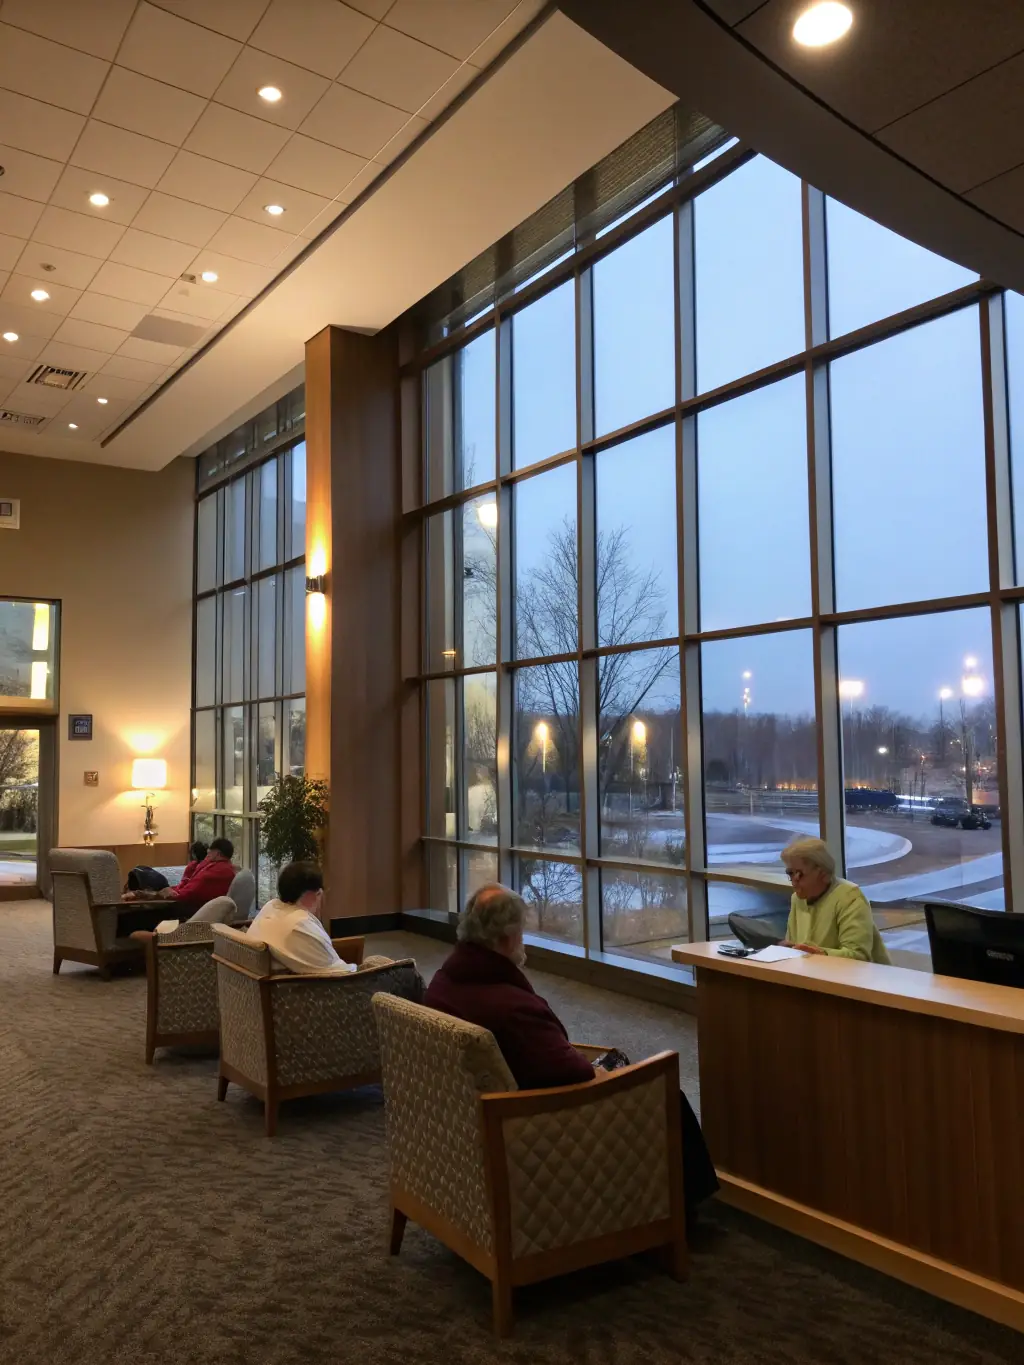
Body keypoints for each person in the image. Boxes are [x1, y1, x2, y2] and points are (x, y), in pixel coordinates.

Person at [423, 883, 719, 1225]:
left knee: (618, 1062)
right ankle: (679, 1210)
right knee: (666, 1092)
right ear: (507, 938)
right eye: (521, 932)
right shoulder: (511, 1008)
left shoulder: (444, 983)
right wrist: (603, 1075)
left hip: (474, 1113)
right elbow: (570, 1073)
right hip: (536, 1123)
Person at [247, 861, 393, 975]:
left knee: (376, 962)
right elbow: (341, 973)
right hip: (332, 993)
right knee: (403, 972)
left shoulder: (271, 906)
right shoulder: (299, 925)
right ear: (315, 894)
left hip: (286, 984)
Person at [781, 836, 892, 963]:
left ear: (822, 873)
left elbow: (858, 956)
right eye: (790, 873)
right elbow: (795, 946)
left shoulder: (849, 897)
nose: (794, 881)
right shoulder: (797, 898)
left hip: (861, 979)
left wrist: (822, 954)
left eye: (799, 874)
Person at [122, 837, 237, 917]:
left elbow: (187, 894)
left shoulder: (217, 871)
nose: (207, 855)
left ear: (217, 853)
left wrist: (158, 895)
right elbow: (187, 887)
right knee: (141, 905)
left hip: (188, 909)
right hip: (188, 904)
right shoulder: (220, 868)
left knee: (138, 914)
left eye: (209, 852)